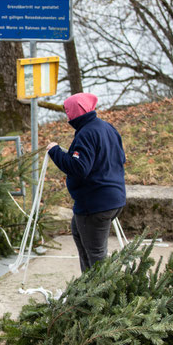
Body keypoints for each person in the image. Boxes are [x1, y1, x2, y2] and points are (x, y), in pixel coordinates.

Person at [46, 92, 126, 273]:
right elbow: (120, 157)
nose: (67, 116)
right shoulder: (107, 128)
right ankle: (87, 288)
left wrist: (55, 151)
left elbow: (79, 168)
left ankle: (100, 296)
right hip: (114, 200)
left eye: (68, 111)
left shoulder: (86, 133)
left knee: (96, 254)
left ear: (75, 112)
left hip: (96, 204)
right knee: (78, 231)